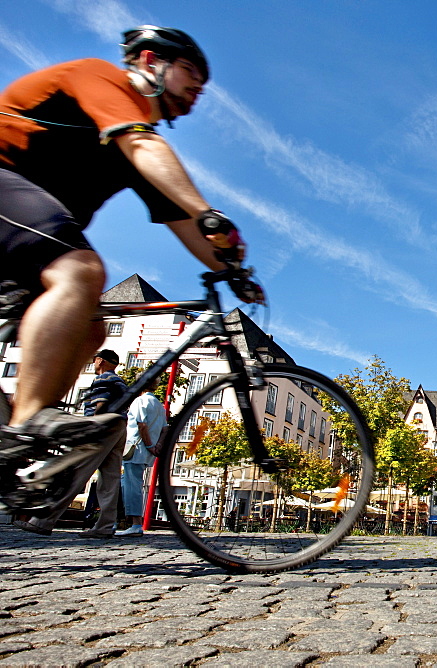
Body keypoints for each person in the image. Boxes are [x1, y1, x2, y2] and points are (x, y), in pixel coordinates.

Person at [0, 26, 263, 515]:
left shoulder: (136, 142)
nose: (198, 90)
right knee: (80, 271)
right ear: (149, 61)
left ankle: (21, 441)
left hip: (21, 235)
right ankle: (27, 426)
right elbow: (148, 153)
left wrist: (233, 268)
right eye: (191, 74)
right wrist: (210, 213)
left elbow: (185, 223)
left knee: (92, 325)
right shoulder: (101, 82)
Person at [12, 349, 128, 537]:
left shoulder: (103, 379)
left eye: (95, 360)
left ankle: (44, 520)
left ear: (100, 360)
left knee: (76, 473)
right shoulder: (120, 381)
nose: (94, 363)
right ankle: (105, 526)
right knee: (110, 479)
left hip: (103, 426)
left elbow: (101, 403)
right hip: (120, 426)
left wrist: (93, 427)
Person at [116, 379, 167, 537]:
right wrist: (157, 446)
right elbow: (165, 428)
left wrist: (149, 444)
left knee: (132, 485)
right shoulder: (159, 405)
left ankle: (135, 523)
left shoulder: (140, 401)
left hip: (136, 448)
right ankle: (125, 520)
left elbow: (141, 425)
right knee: (128, 483)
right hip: (147, 451)